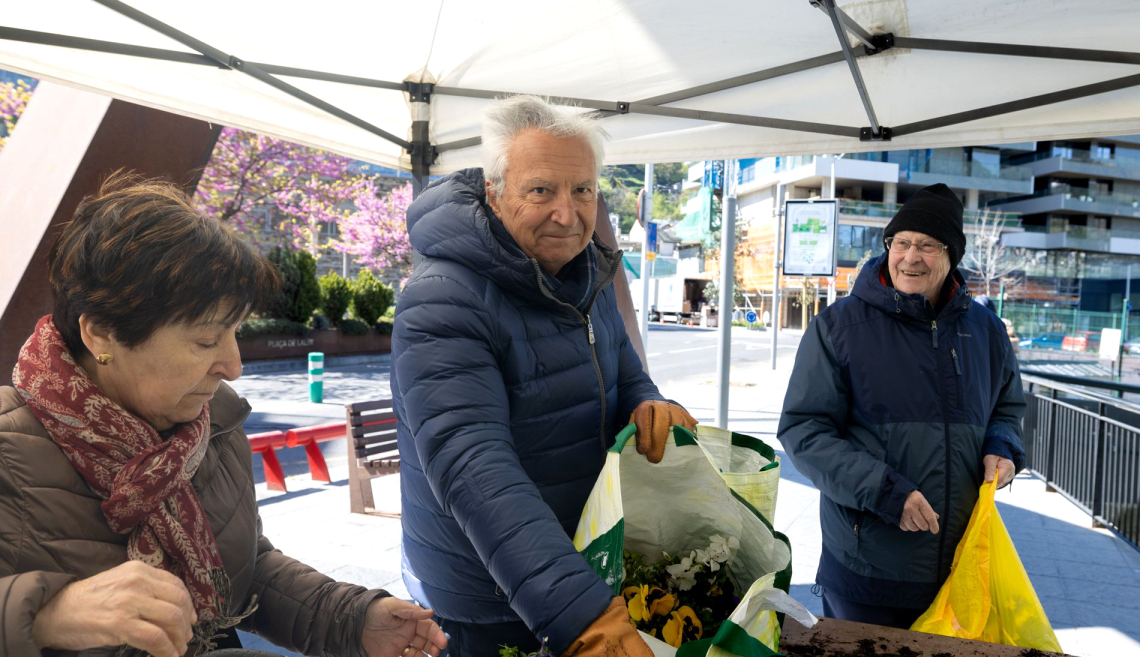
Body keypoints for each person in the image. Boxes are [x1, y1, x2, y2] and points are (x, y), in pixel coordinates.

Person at [0, 175, 448, 657]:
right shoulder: (10, 452)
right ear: (101, 334)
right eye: (206, 340)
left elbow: (245, 568)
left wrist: (352, 619)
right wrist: (46, 616)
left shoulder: (212, 426)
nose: (233, 366)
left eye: (235, 333)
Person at [391, 95, 697, 656]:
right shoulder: (443, 298)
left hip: (582, 564)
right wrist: (578, 611)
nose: (567, 212)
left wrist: (648, 403)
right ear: (493, 192)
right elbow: (473, 465)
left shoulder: (587, 274)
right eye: (540, 190)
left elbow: (625, 369)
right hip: (493, 597)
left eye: (582, 190)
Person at [776, 183, 1026, 628]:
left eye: (928, 245)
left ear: (952, 256)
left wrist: (1002, 448)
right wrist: (886, 493)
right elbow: (804, 431)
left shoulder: (987, 331)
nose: (911, 257)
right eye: (901, 242)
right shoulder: (838, 327)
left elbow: (1008, 407)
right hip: (868, 569)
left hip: (962, 566)